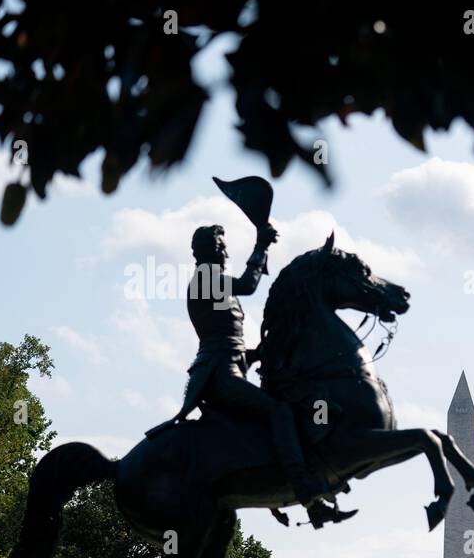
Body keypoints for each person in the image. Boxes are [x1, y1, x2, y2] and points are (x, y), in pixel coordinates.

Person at [147, 222, 353, 528]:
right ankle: (307, 494)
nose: (225, 251)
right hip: (218, 374)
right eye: (220, 246)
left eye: (224, 246)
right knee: (280, 411)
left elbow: (227, 336)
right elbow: (248, 285)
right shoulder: (205, 279)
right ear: (206, 251)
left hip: (232, 366)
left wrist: (259, 352)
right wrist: (262, 246)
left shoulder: (213, 281)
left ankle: (304, 492)